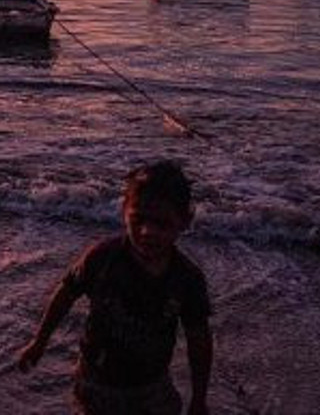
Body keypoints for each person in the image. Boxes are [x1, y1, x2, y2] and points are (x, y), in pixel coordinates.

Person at [17, 162, 213, 415]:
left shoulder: (187, 279)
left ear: (185, 221)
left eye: (161, 223)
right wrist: (39, 342)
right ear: (124, 211)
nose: (147, 232)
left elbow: (199, 339)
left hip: (151, 385)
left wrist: (199, 398)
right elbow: (66, 293)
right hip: (96, 380)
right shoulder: (102, 258)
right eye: (138, 219)